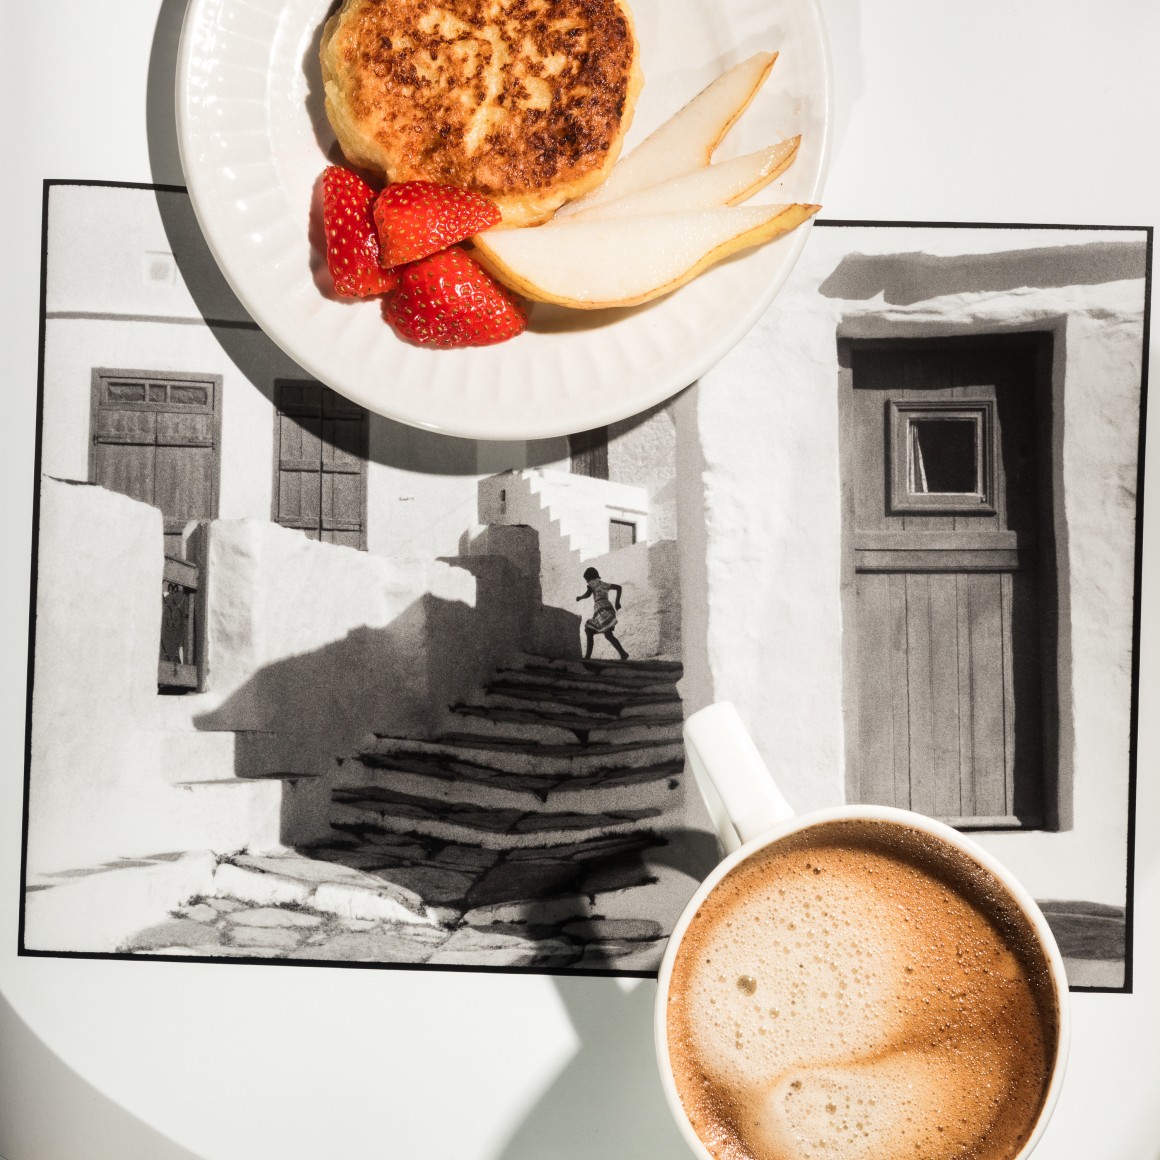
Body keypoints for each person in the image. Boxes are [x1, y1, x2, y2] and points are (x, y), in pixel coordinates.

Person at [575, 566, 628, 660]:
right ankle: (623, 653)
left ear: (589, 578)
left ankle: (587, 656)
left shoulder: (592, 583)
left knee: (589, 629)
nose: (587, 582)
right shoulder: (603, 584)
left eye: (586, 580)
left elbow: (588, 593)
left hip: (601, 610)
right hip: (608, 609)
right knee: (605, 634)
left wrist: (581, 597)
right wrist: (617, 602)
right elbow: (619, 587)